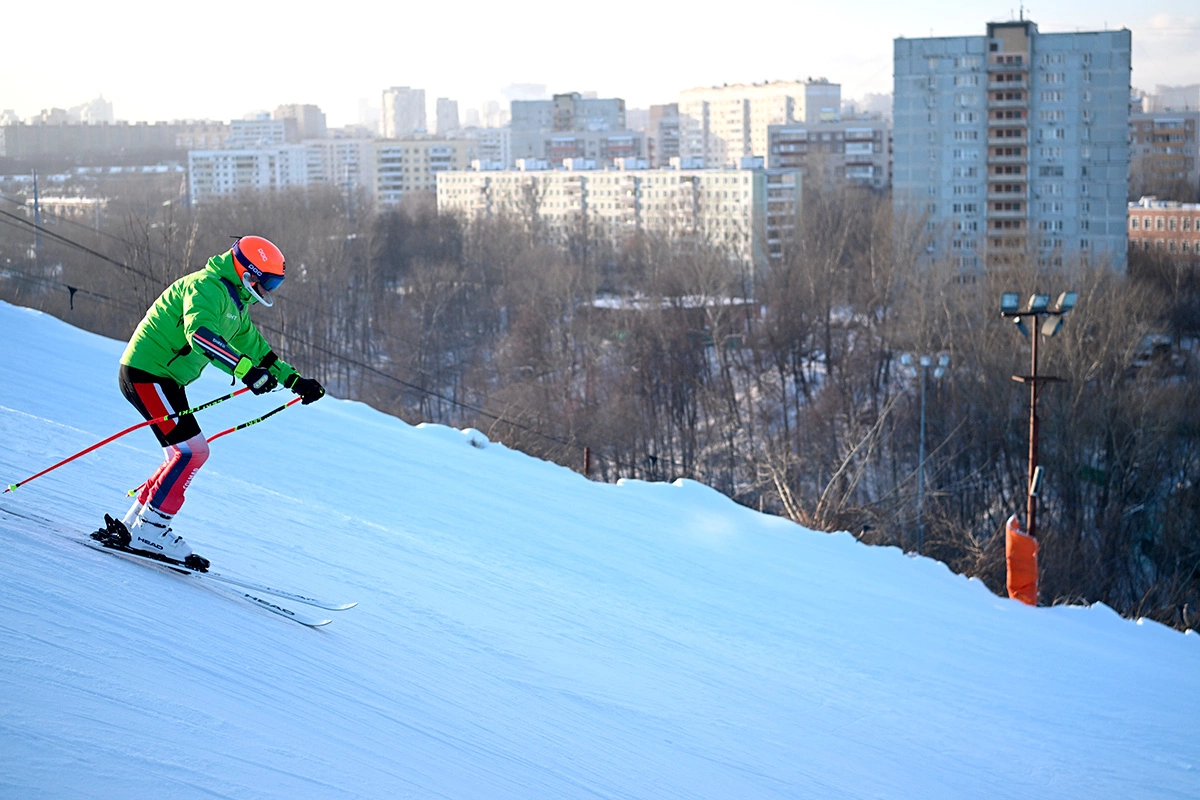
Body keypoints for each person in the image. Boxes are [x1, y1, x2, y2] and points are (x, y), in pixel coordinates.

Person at [111, 235, 324, 568]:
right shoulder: (206, 287)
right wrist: (245, 372)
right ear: (246, 272)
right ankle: (151, 529)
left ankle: (132, 525)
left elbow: (258, 351)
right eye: (266, 282)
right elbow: (199, 334)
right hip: (146, 374)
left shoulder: (235, 304)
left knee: (179, 454)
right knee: (192, 452)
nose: (268, 291)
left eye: (275, 284)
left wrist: (295, 381)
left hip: (165, 379)